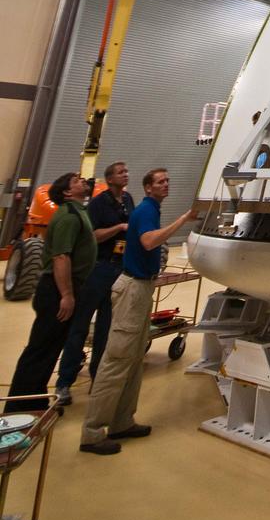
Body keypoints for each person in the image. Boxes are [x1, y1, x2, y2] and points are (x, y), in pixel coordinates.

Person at [79, 168, 197, 456]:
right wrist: (183, 220)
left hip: (143, 289)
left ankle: (122, 421)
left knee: (133, 359)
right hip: (132, 290)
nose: (166, 185)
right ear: (148, 188)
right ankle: (92, 433)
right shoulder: (145, 210)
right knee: (117, 359)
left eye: (168, 180)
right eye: (160, 182)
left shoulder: (149, 209)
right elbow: (147, 242)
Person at [5, 173, 96, 413]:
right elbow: (61, 256)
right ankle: (17, 408)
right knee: (41, 348)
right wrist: (66, 294)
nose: (83, 181)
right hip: (56, 289)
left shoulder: (78, 212)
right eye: (76, 181)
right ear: (67, 192)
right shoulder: (68, 216)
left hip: (65, 286)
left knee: (51, 348)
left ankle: (36, 402)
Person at [54, 161, 134, 405]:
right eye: (121, 172)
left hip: (119, 269)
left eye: (126, 171)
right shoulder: (98, 205)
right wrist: (119, 227)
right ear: (110, 179)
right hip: (98, 269)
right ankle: (63, 383)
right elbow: (93, 236)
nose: (126, 175)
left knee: (105, 329)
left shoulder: (128, 200)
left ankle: (98, 377)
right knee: (79, 327)